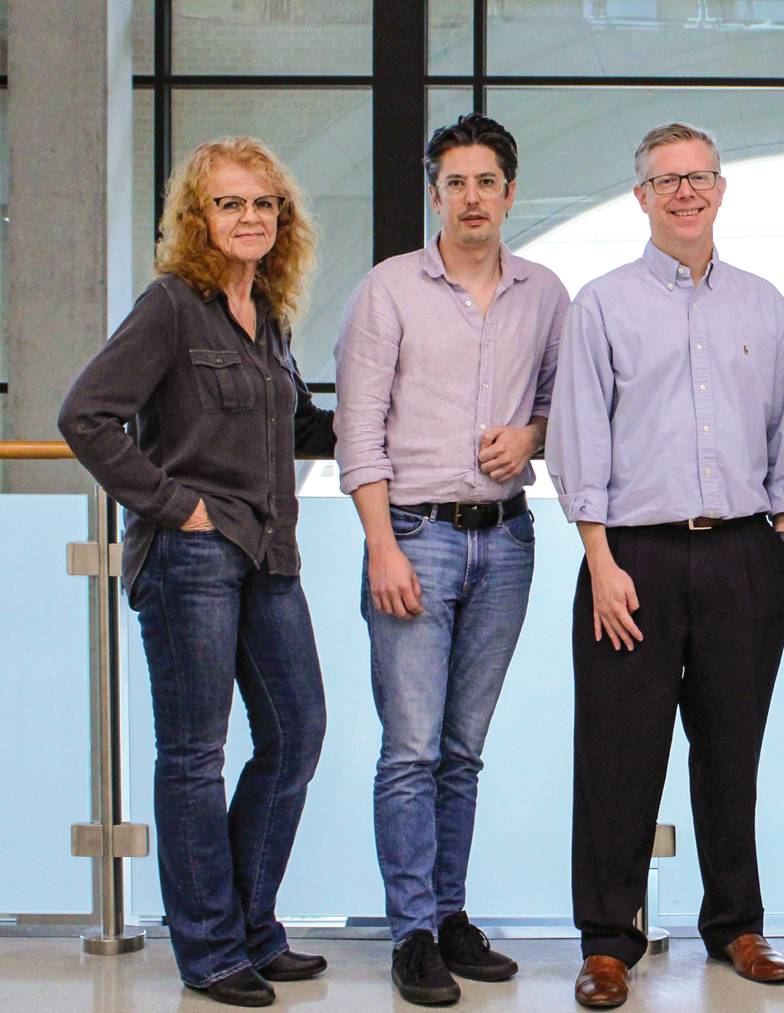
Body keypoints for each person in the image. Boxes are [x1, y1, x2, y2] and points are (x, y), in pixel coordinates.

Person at [59, 137, 333, 1007]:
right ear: (198, 218)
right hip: (192, 557)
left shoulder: (269, 317)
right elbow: (86, 415)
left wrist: (410, 417)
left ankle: (251, 926)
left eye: (263, 204)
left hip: (269, 551)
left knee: (296, 733)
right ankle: (211, 951)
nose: (249, 216)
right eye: (230, 203)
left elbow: (301, 429)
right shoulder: (171, 306)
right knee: (193, 756)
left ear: (280, 219)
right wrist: (175, 505)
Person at [545, 122, 784, 1010]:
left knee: (731, 750)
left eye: (699, 177)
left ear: (722, 189)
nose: (685, 193)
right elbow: (578, 439)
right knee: (619, 754)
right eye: (667, 180)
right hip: (632, 558)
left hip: (742, 550)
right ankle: (609, 939)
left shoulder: (764, 304)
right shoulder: (603, 304)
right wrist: (600, 558)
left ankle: (736, 923)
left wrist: (776, 539)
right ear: (642, 197)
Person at [333, 112, 568, 1006]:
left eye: (487, 183)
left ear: (511, 193)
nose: (472, 198)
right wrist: (382, 544)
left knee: (464, 750)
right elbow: (358, 429)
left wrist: (532, 436)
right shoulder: (388, 290)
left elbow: (560, 408)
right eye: (455, 183)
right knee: (411, 749)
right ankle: (411, 931)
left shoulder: (546, 293)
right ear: (436, 194)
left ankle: (452, 913)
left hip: (506, 538)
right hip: (416, 538)